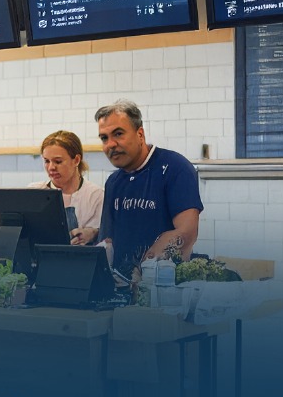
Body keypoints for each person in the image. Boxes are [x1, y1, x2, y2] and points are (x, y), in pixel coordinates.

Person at [73, 100, 203, 282]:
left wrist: (147, 269)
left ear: (140, 134)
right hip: (121, 289)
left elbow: (187, 232)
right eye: (104, 138)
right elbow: (107, 241)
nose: (110, 144)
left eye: (118, 134)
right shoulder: (114, 181)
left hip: (165, 288)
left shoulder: (175, 168)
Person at [27, 130, 105, 238]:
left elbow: (106, 239)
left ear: (76, 160)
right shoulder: (34, 192)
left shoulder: (96, 195)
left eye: (58, 161)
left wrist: (94, 233)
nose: (51, 168)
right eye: (46, 161)